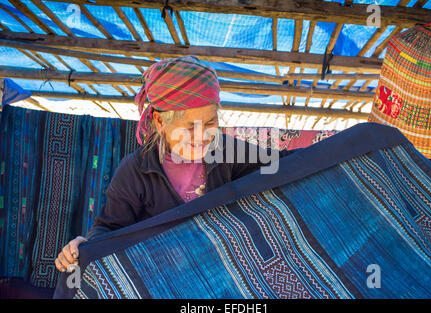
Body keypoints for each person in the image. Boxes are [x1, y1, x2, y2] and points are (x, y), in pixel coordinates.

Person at [54, 55, 294, 272]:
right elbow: (109, 229)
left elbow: (287, 165)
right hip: (163, 277)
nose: (202, 135)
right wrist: (84, 246)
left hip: (223, 272)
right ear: (159, 121)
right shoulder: (136, 172)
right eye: (190, 127)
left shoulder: (226, 151)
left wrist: (331, 154)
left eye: (210, 123)